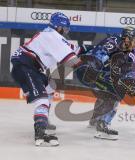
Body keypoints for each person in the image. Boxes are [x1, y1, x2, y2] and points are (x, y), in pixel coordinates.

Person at [10, 12, 85, 146]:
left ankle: (43, 119)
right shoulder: (53, 37)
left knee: (50, 87)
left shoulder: (49, 34)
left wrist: (90, 49)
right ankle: (40, 133)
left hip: (27, 67)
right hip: (25, 67)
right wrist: (87, 61)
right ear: (59, 27)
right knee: (43, 100)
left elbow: (74, 48)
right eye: (65, 28)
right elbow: (73, 60)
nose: (66, 31)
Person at [76, 26, 135, 140]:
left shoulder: (130, 54)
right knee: (115, 93)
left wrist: (131, 83)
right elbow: (98, 56)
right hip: (87, 71)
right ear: (126, 39)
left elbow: (127, 71)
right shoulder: (113, 42)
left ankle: (95, 120)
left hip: (97, 75)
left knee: (109, 91)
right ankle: (103, 126)